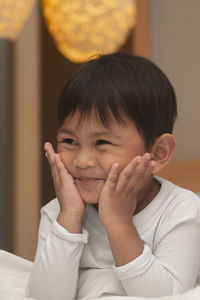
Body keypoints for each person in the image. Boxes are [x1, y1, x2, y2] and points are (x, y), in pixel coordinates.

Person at [27, 53, 200, 300]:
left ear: (158, 152)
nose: (82, 161)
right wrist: (70, 216)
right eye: (69, 141)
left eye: (102, 142)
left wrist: (119, 223)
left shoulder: (180, 210)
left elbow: (169, 297)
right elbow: (44, 297)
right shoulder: (59, 212)